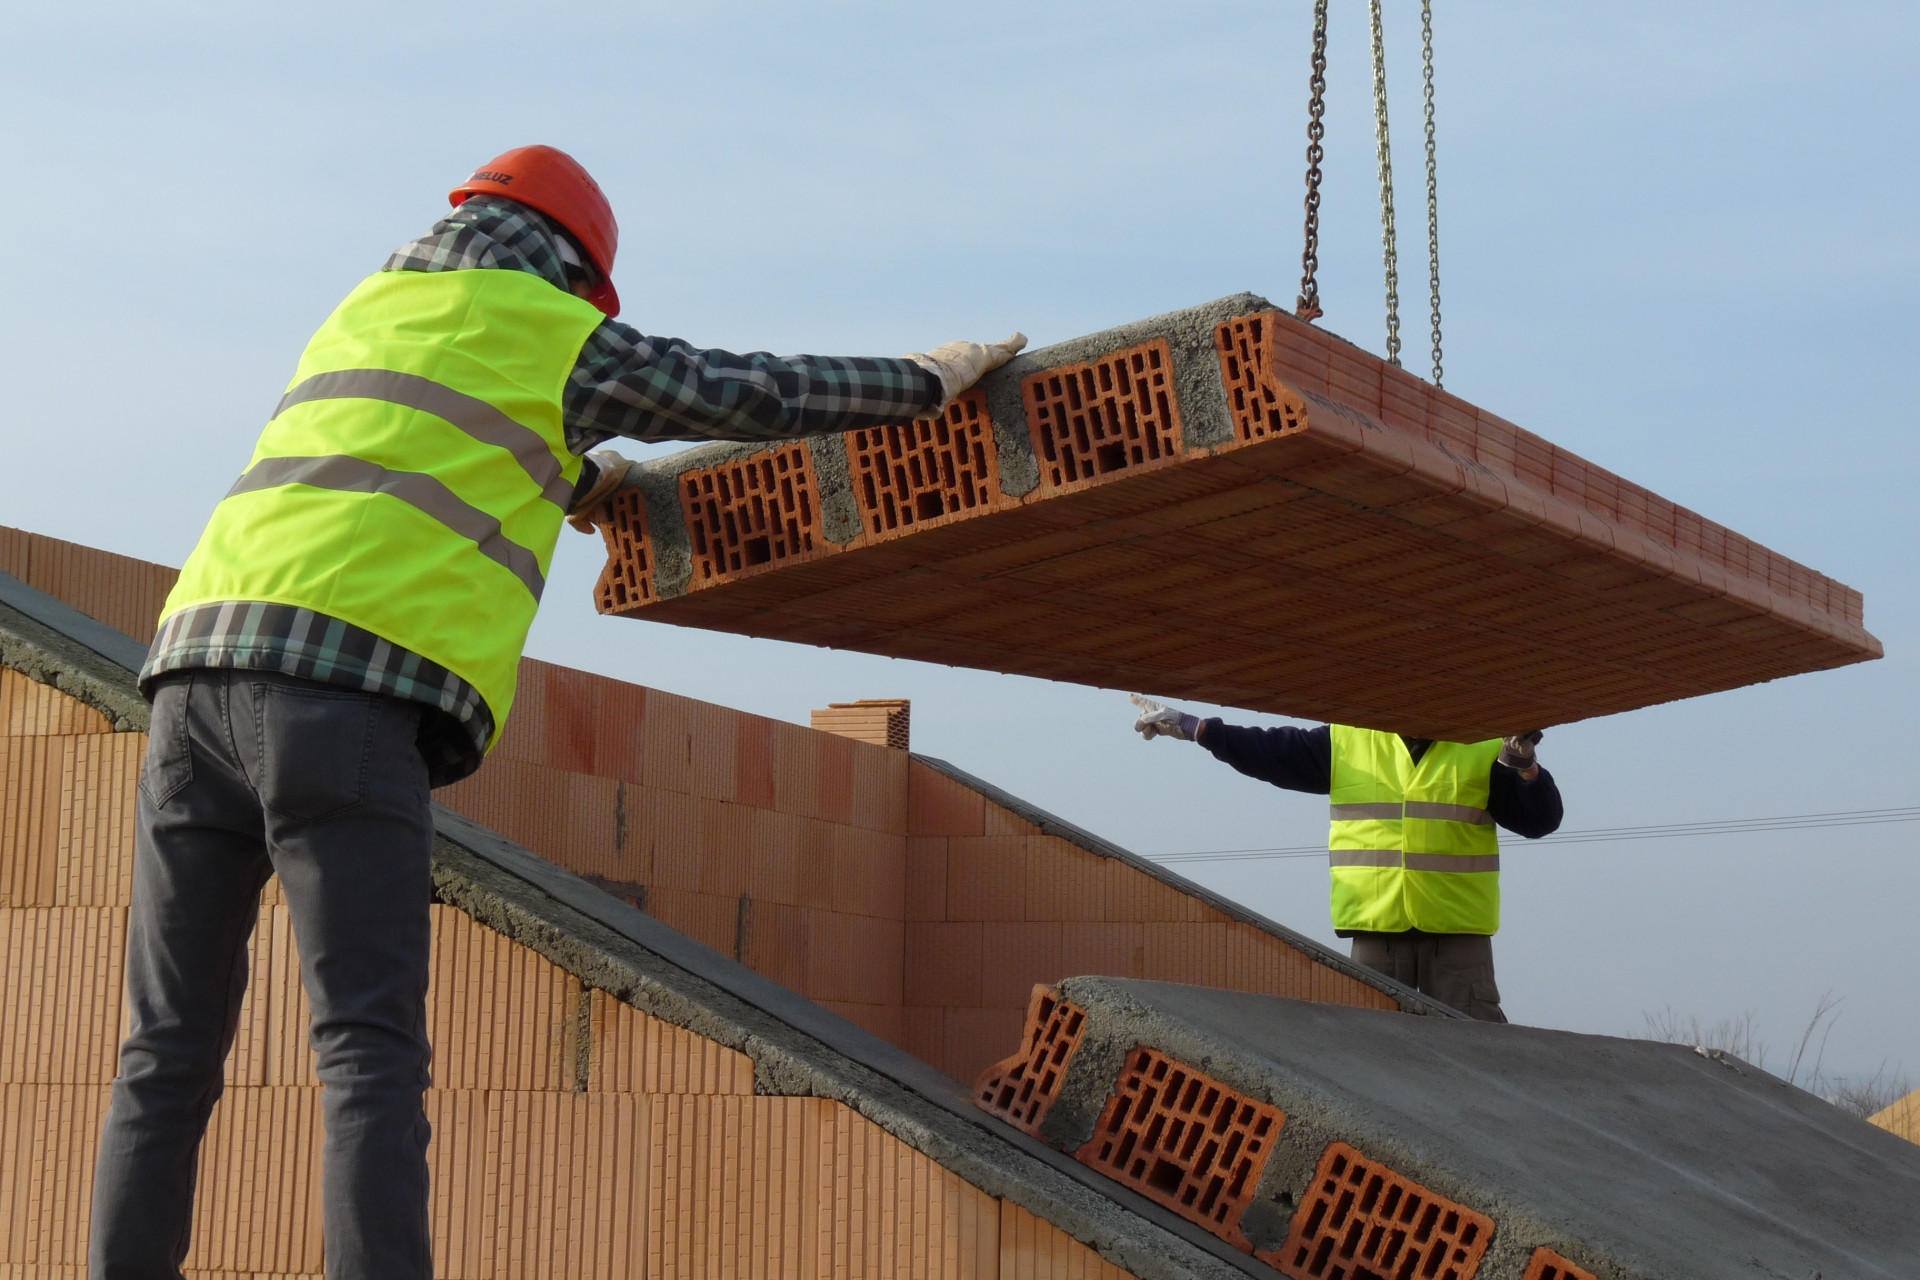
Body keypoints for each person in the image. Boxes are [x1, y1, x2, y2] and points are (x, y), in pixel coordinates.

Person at [91, 144, 1025, 1280]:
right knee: (366, 1052)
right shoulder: (552, 329)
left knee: (165, 1050)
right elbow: (753, 390)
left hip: (190, 684)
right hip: (342, 704)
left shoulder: (369, 311)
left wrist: (578, 481)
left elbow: (397, 447)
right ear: (576, 270)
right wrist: (925, 380)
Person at [1128, 695, 1562, 1022]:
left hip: (1456, 940)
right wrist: (1194, 727)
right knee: (1369, 1056)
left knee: (1476, 1058)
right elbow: (1269, 750)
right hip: (1376, 931)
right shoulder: (1348, 740)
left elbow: (1539, 819)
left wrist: (1525, 768)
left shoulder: (1486, 748)